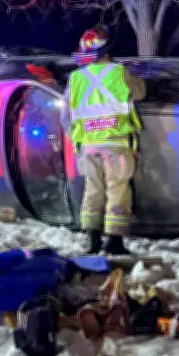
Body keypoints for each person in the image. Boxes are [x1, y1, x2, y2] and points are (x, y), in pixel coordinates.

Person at [60, 26, 147, 255]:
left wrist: (79, 139)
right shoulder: (119, 72)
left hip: (88, 147)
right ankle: (114, 241)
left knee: (93, 189)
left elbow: (65, 117)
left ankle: (92, 239)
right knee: (117, 189)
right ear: (108, 48)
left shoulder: (76, 79)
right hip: (116, 144)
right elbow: (140, 93)